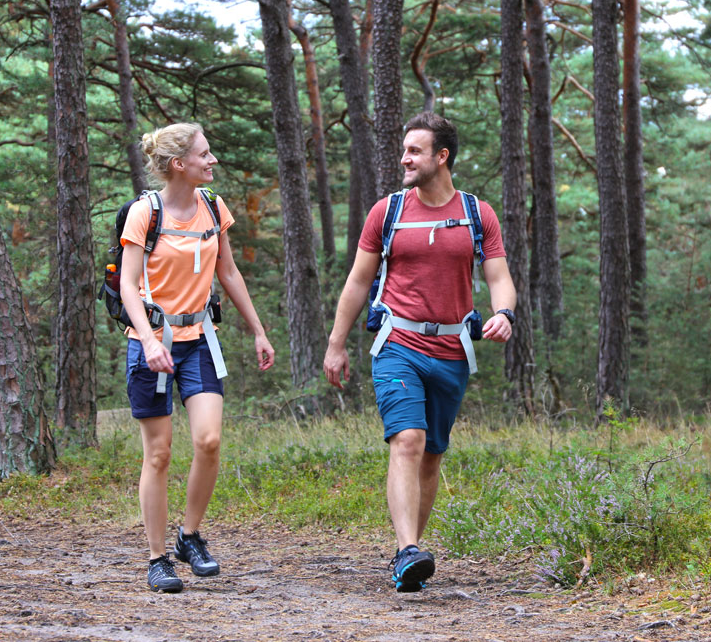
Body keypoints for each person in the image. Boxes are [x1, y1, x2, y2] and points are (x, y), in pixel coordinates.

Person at [323, 112, 517, 592]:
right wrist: (336, 343)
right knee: (407, 440)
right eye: (404, 149)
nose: (404, 159)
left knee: (431, 454)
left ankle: (408, 557)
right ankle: (408, 548)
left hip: (453, 349)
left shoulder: (477, 214)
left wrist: (505, 313)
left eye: (414, 151)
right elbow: (358, 281)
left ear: (441, 156)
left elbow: (499, 277)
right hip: (398, 344)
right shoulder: (387, 212)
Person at [119, 123, 275, 593]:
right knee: (159, 454)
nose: (213, 161)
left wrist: (258, 330)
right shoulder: (144, 213)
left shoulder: (213, 206)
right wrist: (148, 341)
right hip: (153, 343)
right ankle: (156, 558)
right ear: (178, 165)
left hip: (200, 338)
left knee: (208, 441)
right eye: (205, 155)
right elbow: (128, 284)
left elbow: (227, 270)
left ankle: (189, 537)